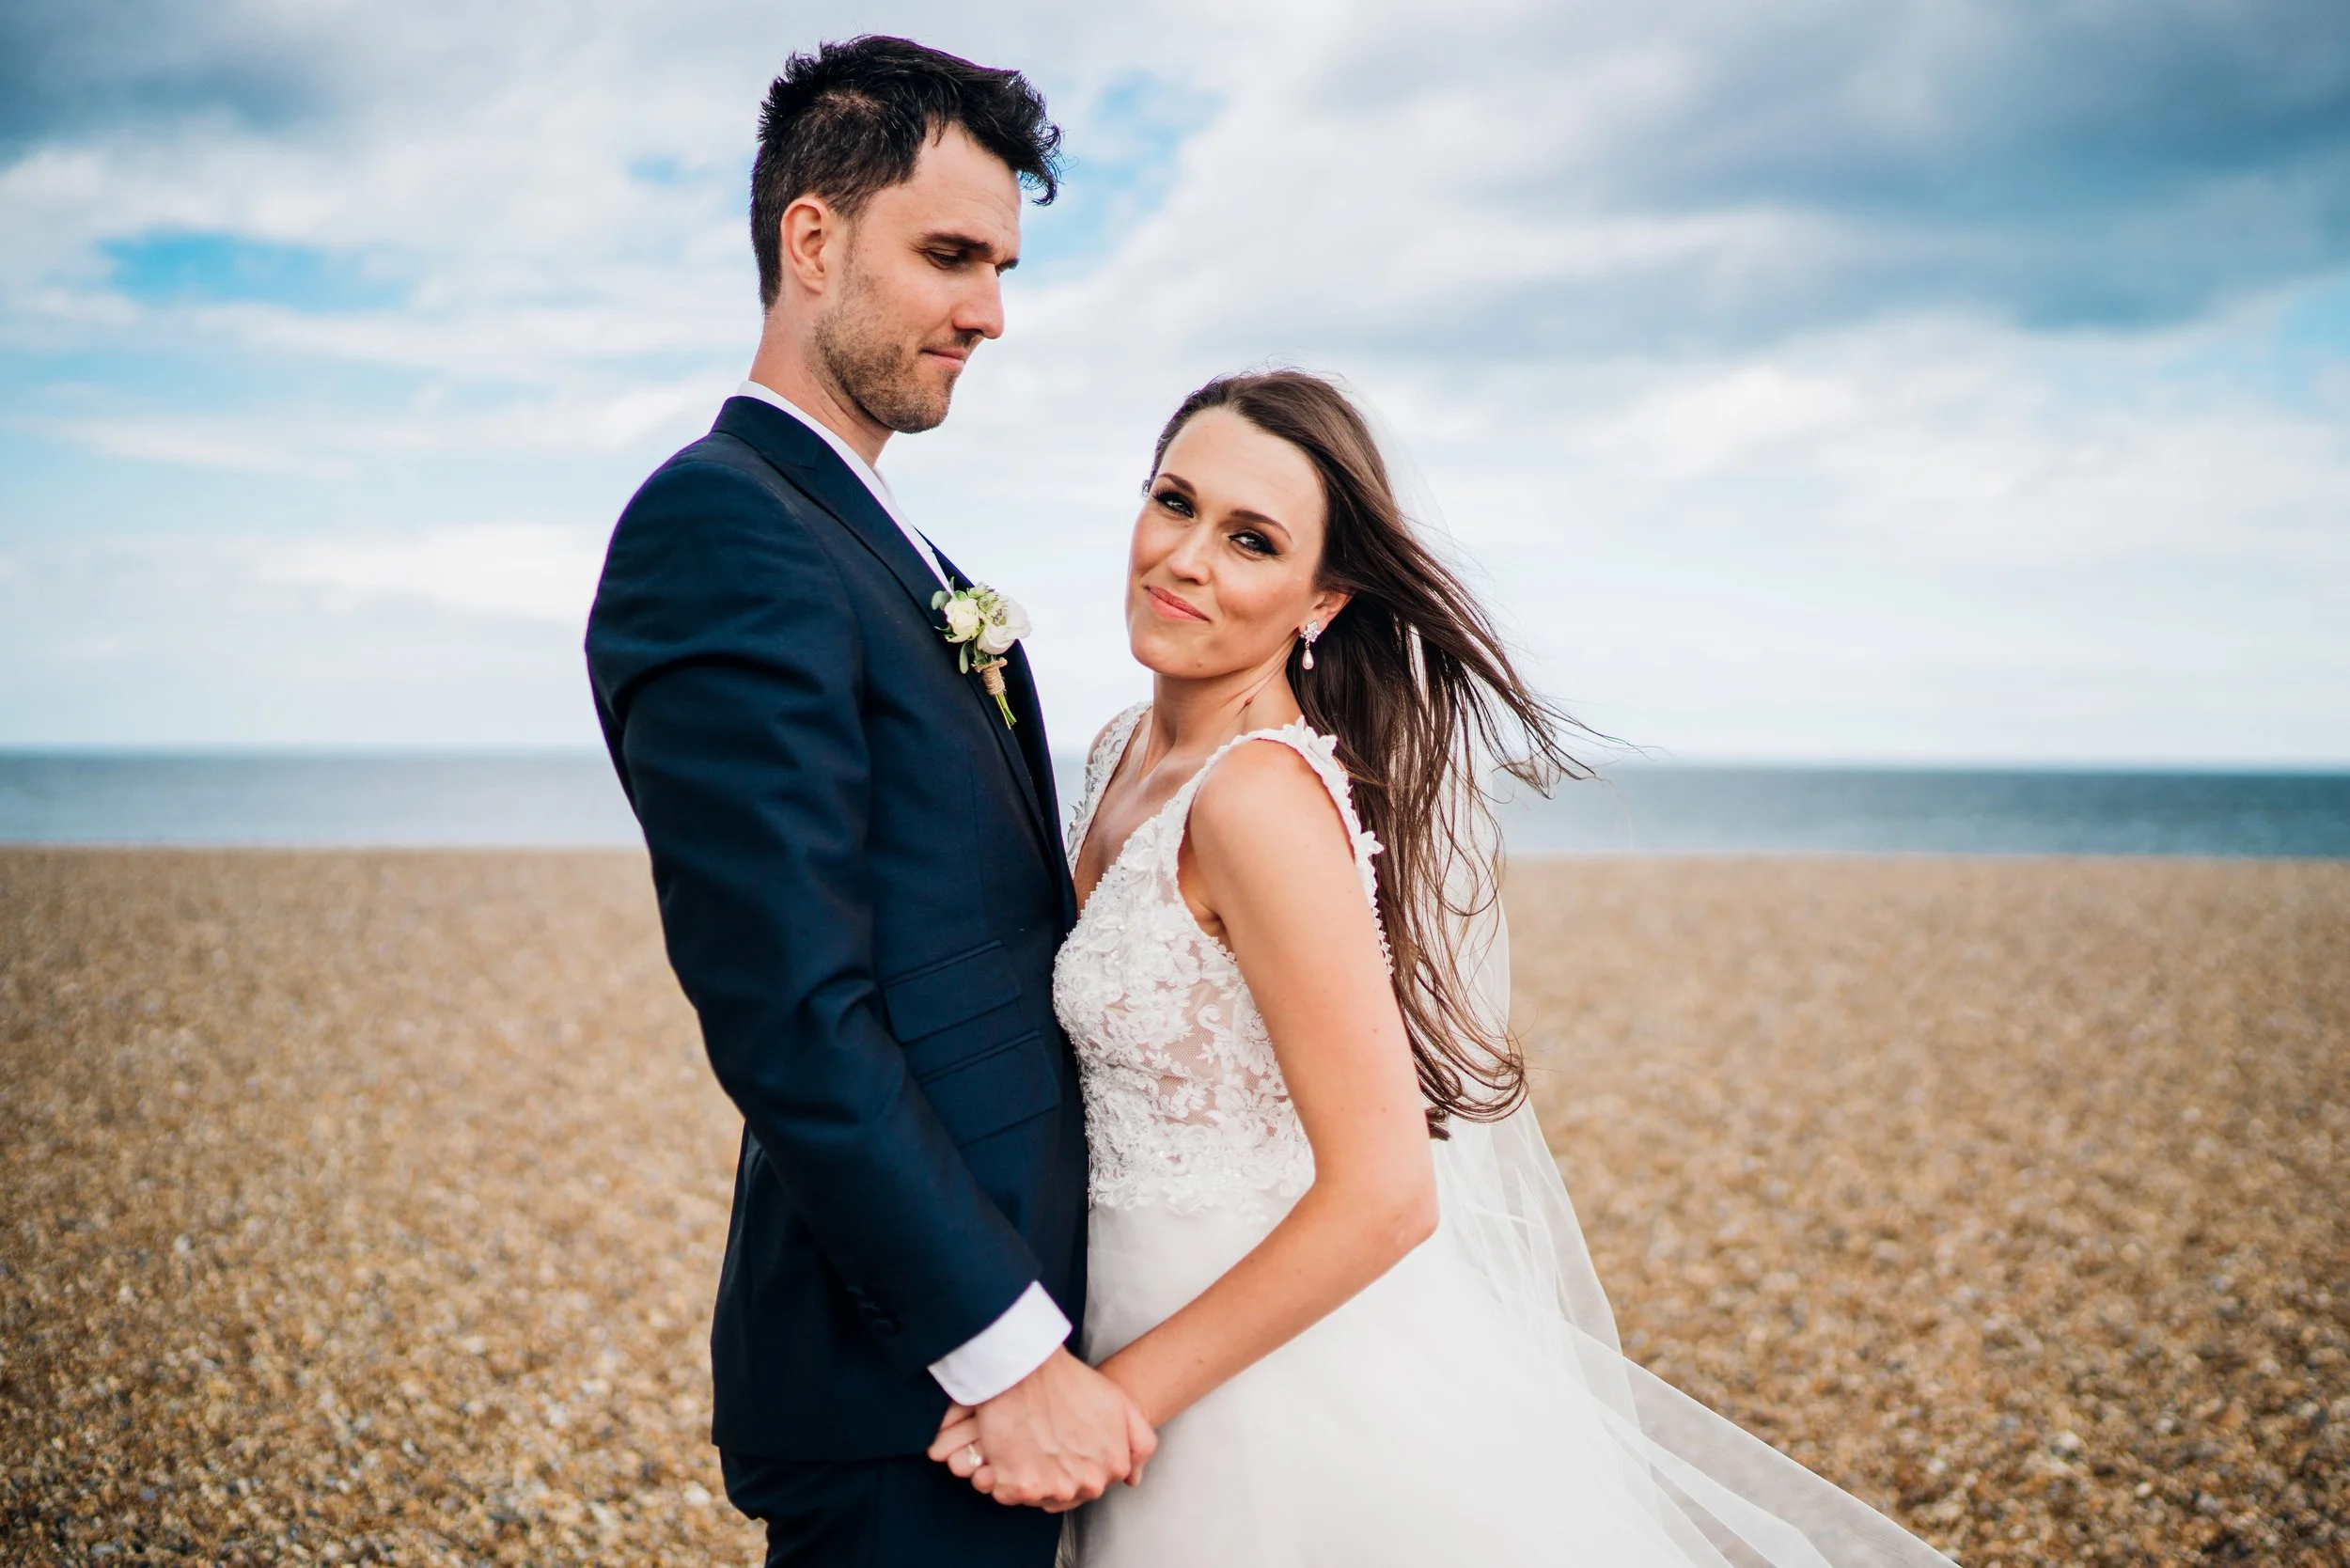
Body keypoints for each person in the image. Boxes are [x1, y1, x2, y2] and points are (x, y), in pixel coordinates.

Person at [932, 369, 1960, 1566]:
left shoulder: (1257, 797)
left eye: (1251, 540)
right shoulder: (1121, 748)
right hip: (1111, 1307)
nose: (1186, 558)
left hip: (1254, 1383)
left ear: (1322, 600)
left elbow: (1385, 1195)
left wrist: (1125, 1400)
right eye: (1175, 503)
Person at [586, 37, 1150, 1568]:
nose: (991, 309)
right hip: (912, 1383)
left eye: (1004, 264)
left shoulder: (890, 541)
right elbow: (787, 1005)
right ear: (812, 238)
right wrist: (1007, 1349)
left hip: (1014, 1325)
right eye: (951, 254)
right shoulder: (719, 530)